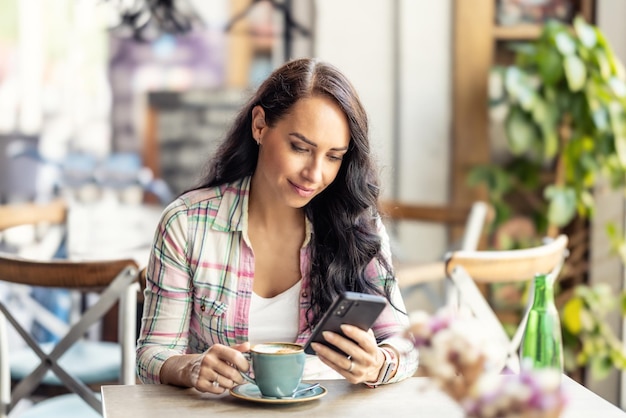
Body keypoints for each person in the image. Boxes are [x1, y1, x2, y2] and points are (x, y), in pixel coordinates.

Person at [136, 57, 419, 393]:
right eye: (300, 148)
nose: (315, 174)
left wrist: (378, 364)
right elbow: (151, 355)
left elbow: (405, 346)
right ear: (260, 126)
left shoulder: (357, 225)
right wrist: (190, 366)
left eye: (334, 156)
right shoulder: (187, 224)